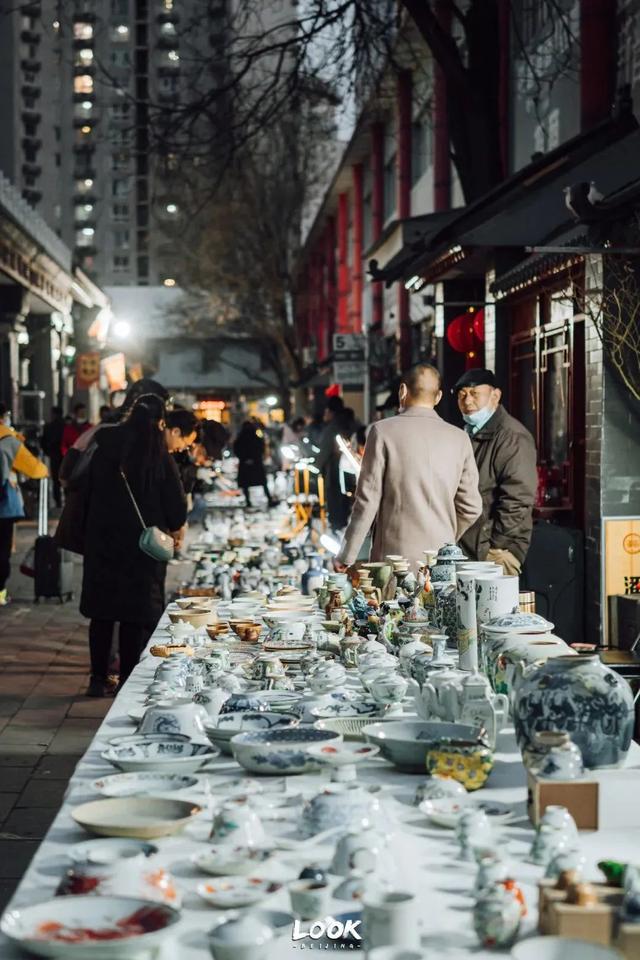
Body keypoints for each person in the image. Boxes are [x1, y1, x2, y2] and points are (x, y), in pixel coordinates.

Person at [80, 395, 187, 696]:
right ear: (160, 423)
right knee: (133, 615)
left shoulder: (104, 448)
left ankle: (97, 679)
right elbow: (177, 509)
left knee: (102, 614)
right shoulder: (157, 455)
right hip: (141, 547)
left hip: (102, 542)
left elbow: (82, 492)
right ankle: (127, 678)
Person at [334, 364, 482, 573]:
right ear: (438, 397)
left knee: (394, 606)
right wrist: (446, 535)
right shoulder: (459, 438)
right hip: (443, 561)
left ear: (402, 391)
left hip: (395, 560)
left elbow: (367, 501)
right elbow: (472, 507)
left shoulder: (383, 432)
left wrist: (347, 555)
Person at [455, 368, 538, 576]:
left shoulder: (511, 436)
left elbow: (518, 498)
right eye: (462, 394)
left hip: (495, 551)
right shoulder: (468, 433)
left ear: (495, 395)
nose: (467, 401)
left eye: (475, 394)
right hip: (470, 548)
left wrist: (493, 544)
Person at [0, 418, 48, 605]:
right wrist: (45, 471)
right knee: (2, 549)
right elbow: (34, 469)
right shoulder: (8, 440)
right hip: (3, 506)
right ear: (4, 416)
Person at [316, 395, 346, 533]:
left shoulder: (331, 429)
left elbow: (324, 452)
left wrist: (316, 467)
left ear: (330, 412)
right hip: (348, 472)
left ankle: (337, 532)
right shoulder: (349, 423)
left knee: (335, 504)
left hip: (334, 471)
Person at [234, 420, 273, 507]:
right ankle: (269, 499)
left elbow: (237, 449)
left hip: (245, 463)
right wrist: (254, 458)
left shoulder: (240, 438)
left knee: (246, 484)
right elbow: (261, 448)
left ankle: (248, 502)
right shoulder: (256, 437)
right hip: (256, 462)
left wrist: (245, 458)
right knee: (262, 482)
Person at [40, 406, 65, 508]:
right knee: (66, 477)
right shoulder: (65, 425)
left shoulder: (49, 426)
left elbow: (43, 442)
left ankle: (58, 501)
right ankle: (65, 500)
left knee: (56, 480)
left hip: (54, 455)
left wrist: (48, 452)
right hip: (65, 455)